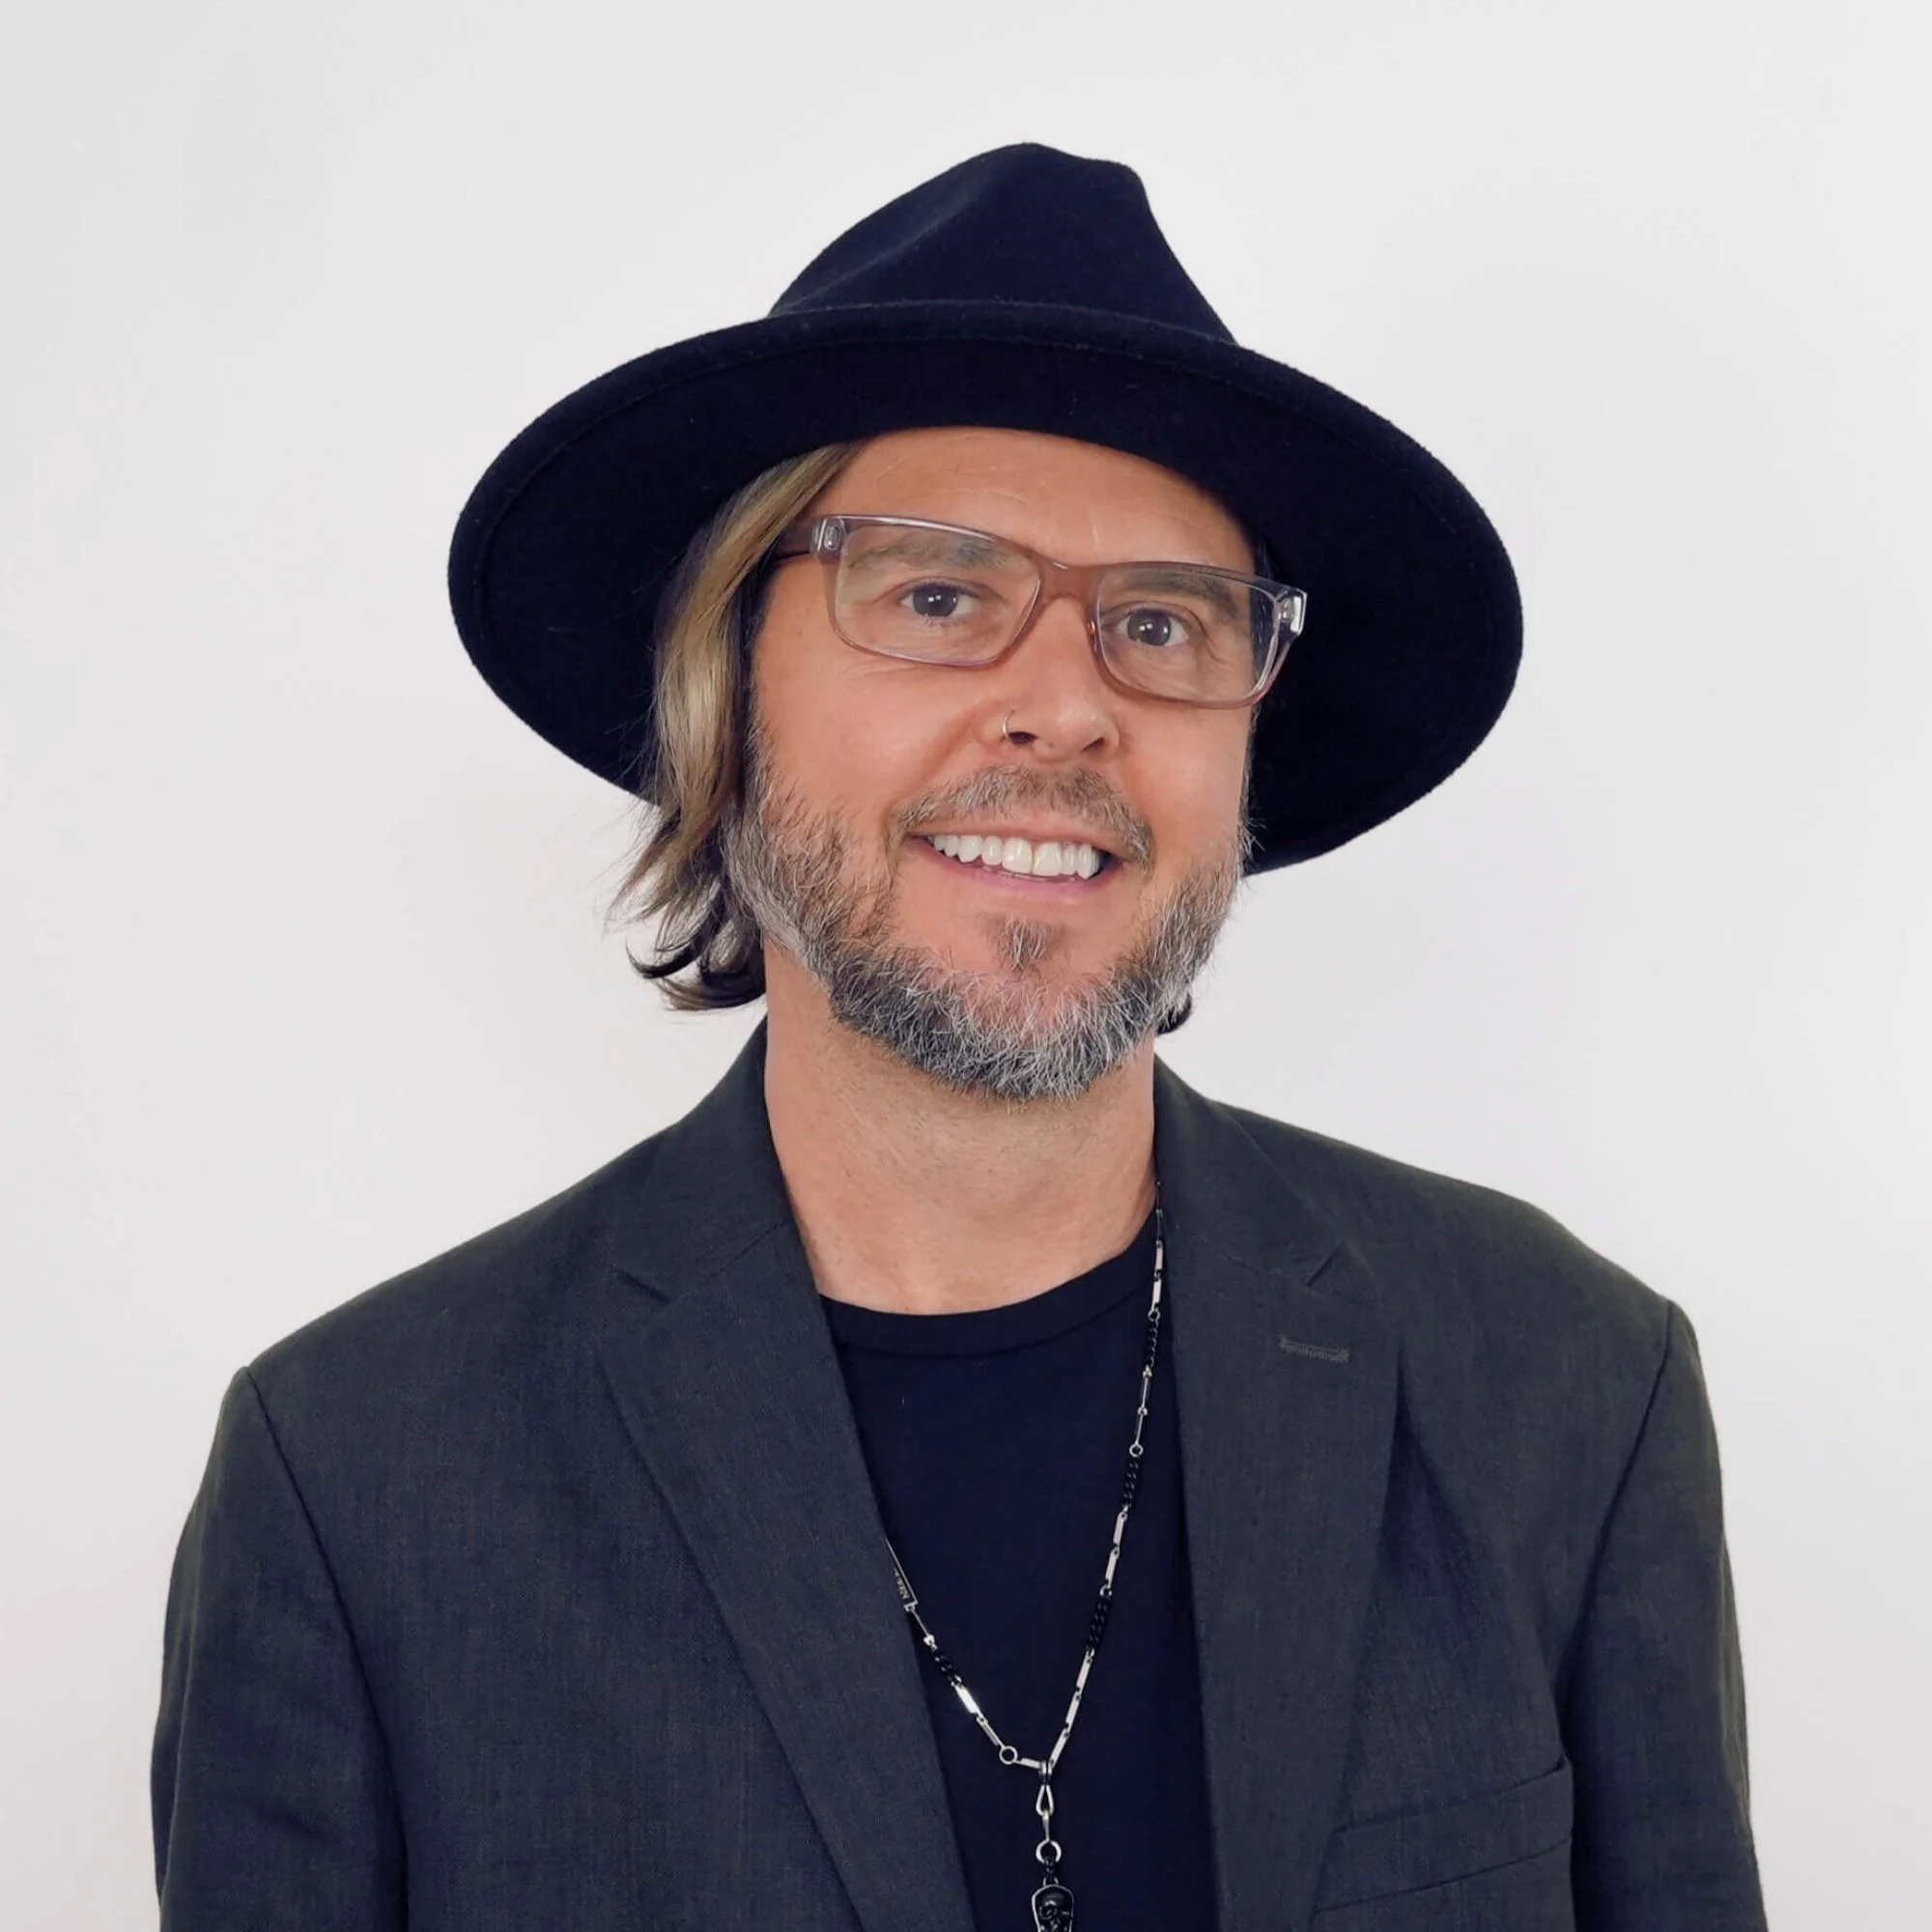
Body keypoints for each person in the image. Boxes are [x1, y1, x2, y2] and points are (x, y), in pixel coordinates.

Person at [152, 145, 1769, 1931]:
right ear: (722, 699)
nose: (1070, 704)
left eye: (1163, 623)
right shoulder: (362, 1478)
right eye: (934, 594)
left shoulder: (1564, 1385)